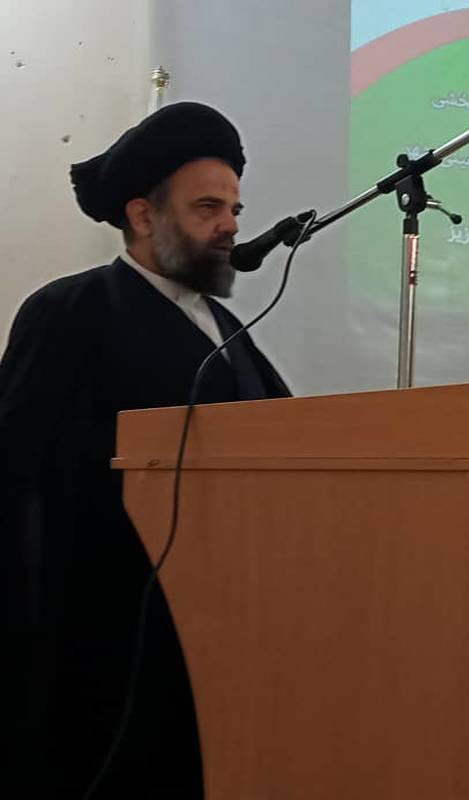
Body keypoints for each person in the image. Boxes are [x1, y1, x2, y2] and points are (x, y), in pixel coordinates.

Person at [0, 102, 289, 798]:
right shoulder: (72, 310)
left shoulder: (226, 326)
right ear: (142, 215)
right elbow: (17, 474)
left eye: (235, 209)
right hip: (100, 626)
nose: (230, 226)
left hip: (222, 619)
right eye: (207, 208)